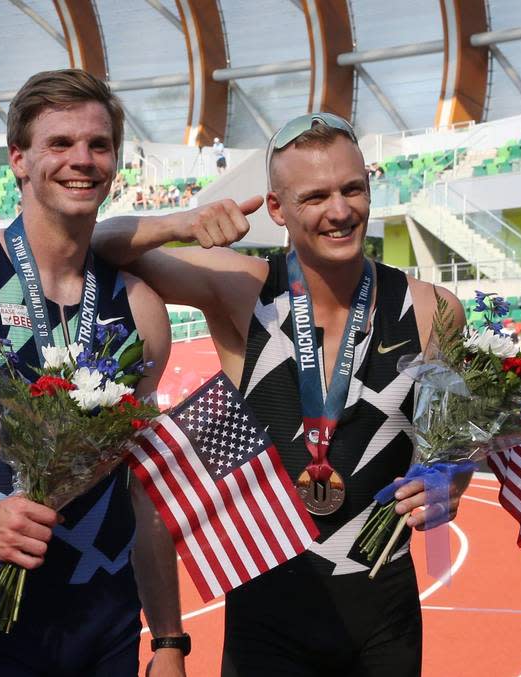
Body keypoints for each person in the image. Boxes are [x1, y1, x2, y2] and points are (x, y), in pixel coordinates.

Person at [93, 112, 471, 675]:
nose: (339, 211)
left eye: (352, 189)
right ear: (277, 208)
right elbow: (98, 246)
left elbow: (452, 448)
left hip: (383, 617)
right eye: (314, 196)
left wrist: (451, 481)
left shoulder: (432, 311)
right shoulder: (241, 290)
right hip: (266, 623)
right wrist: (184, 222)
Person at [0, 69, 186, 677]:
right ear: (19, 159)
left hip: (107, 626)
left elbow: (142, 485)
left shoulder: (140, 307)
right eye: (60, 143)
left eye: (98, 145)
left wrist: (169, 640)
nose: (82, 159)